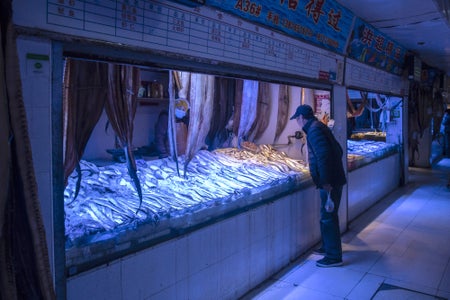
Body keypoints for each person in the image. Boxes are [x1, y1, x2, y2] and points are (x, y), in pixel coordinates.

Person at [290, 104, 347, 267]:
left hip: (330, 182)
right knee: (327, 216)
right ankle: (327, 247)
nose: (297, 123)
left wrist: (326, 181)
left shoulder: (314, 131)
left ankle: (334, 256)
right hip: (332, 179)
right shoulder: (318, 127)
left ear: (301, 118)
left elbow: (323, 157)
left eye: (297, 119)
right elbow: (338, 150)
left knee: (328, 217)